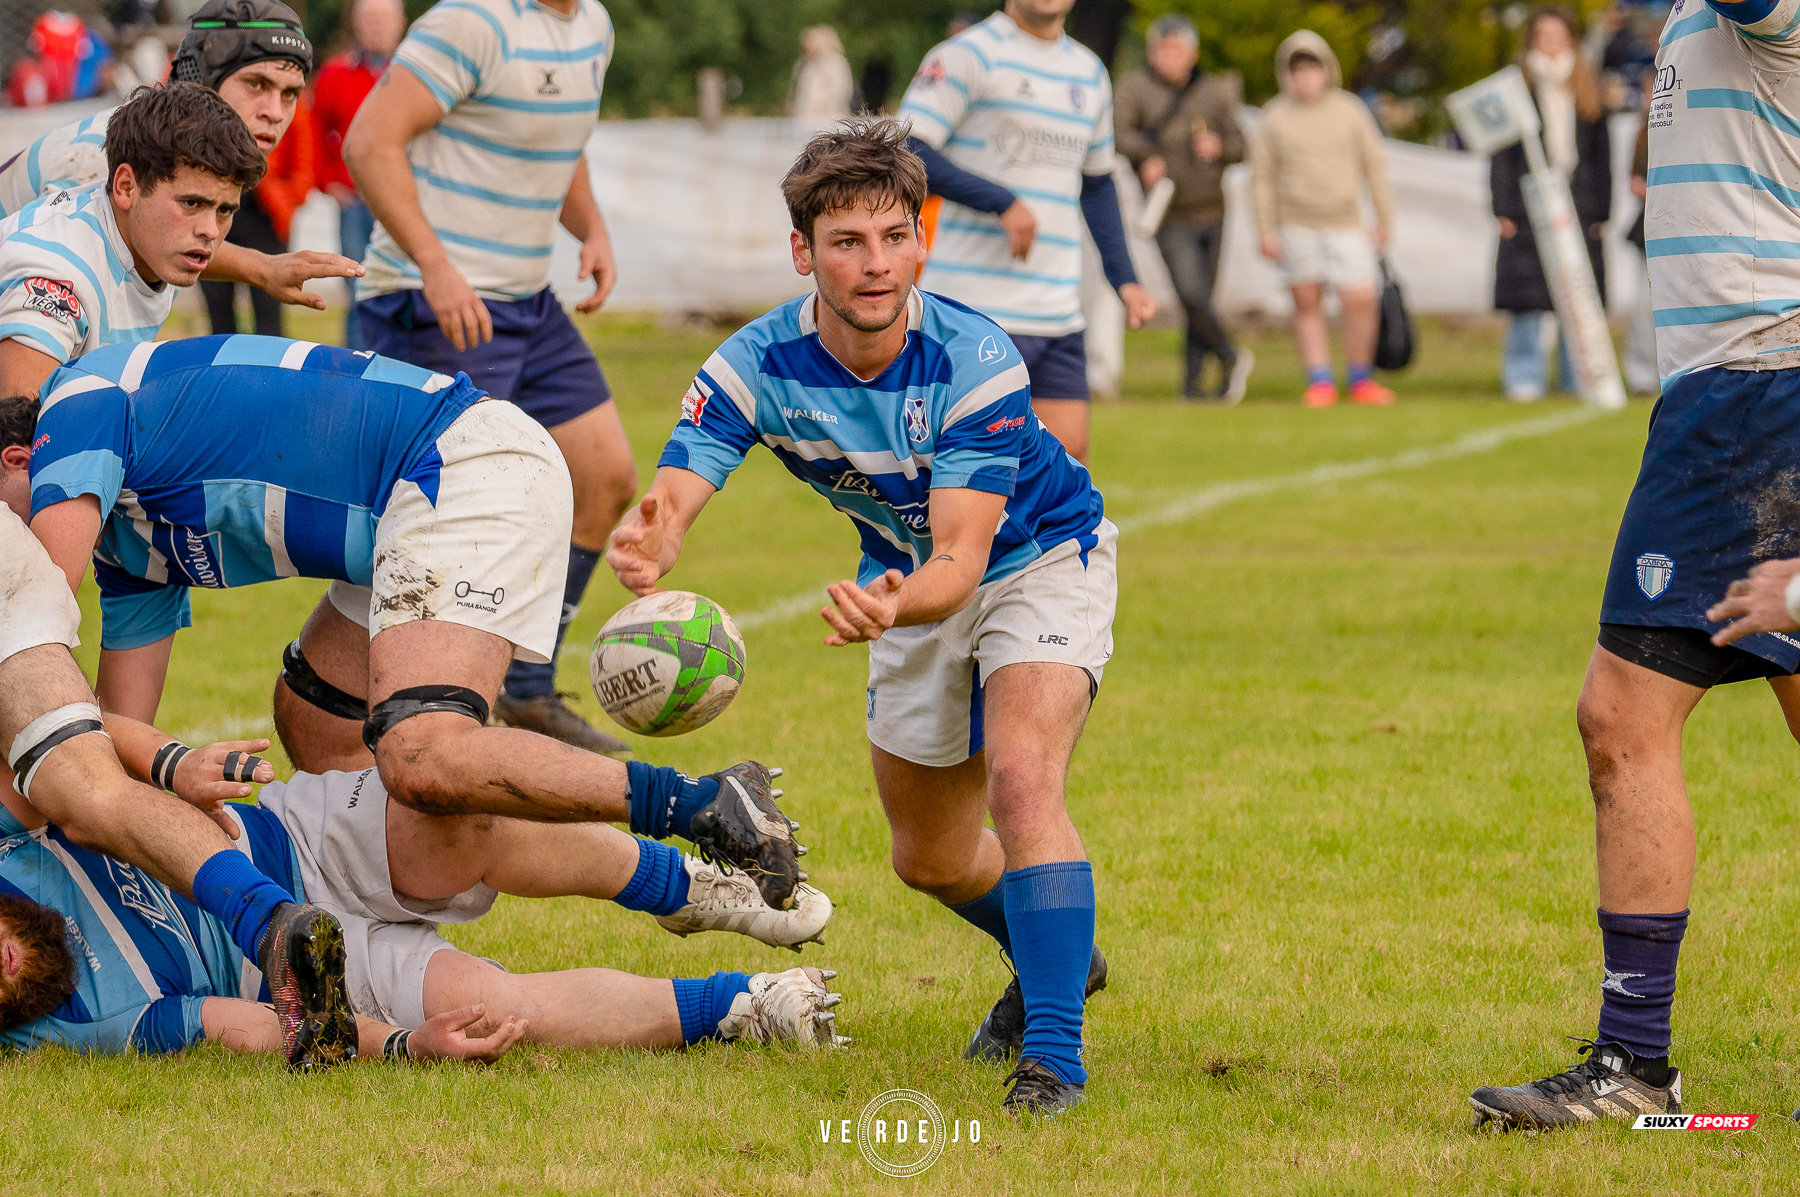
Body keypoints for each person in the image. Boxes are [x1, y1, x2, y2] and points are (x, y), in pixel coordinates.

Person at [608, 122, 1113, 1115]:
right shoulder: (754, 364)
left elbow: (965, 560)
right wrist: (650, 547)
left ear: (921, 240)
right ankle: (1062, 954)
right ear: (804, 252)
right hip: (901, 582)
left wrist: (894, 599)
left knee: (1020, 779)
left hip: (1040, 559)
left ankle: (1053, 1057)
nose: (874, 264)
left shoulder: (976, 359)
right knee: (927, 858)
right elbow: (678, 491)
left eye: (893, 236)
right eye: (847, 242)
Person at [0, 336, 806, 917]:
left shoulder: (72, 411)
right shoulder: (128, 548)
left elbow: (31, 637)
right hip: (409, 510)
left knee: (423, 753)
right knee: (316, 724)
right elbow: (98, 733)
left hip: (456, 464)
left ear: (12, 458)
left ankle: (699, 799)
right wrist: (163, 766)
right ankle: (683, 886)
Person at [1470, 0, 1800, 1132]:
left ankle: (1633, 1064)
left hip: (1757, 389)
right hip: (1749, 382)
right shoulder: (1685, 23)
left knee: (1623, 718)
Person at [0, 717, 843, 1057]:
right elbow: (238, 1024)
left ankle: (687, 889)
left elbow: (52, 717)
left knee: (460, 827)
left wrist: (168, 761)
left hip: (292, 838)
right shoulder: (54, 1032)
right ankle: (747, 1008)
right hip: (295, 967)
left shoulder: (7, 846)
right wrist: (403, 1044)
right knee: (494, 1008)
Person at [344, 0, 639, 756]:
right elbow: (370, 143)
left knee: (605, 477)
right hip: (435, 302)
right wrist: (434, 266)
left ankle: (527, 690)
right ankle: (392, 718)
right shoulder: (470, 22)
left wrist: (595, 228)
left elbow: (558, 144)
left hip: (527, 303)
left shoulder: (594, 27)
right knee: (432, 532)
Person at [0, 488, 356, 1068]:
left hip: (280, 835)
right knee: (92, 772)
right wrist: (405, 1043)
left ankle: (266, 924)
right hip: (267, 893)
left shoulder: (80, 444)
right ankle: (269, 926)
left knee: (89, 782)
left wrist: (172, 763)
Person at [896, 0, 1157, 464]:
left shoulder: (1089, 70)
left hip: (1057, 312)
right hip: (972, 310)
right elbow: (909, 147)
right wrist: (1003, 201)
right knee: (968, 477)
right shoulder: (968, 53)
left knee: (1065, 469)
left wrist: (1126, 280)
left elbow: (1096, 184)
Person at [0, 0, 364, 325]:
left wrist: (263, 267)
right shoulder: (102, 157)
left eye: (290, 94)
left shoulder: (169, 151)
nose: (275, 113)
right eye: (255, 84)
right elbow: (44, 305)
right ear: (199, 78)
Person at [0, 84, 268, 402]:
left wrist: (265, 268)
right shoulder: (57, 275)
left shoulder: (144, 230)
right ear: (126, 187)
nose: (210, 230)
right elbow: (19, 440)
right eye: (191, 204)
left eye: (224, 210)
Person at [1250, 32, 1395, 408]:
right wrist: (1266, 228)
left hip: (1346, 222)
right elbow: (1262, 177)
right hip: (1297, 224)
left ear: (1326, 70)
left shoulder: (1350, 110)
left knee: (1360, 298)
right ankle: (1320, 380)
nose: (1305, 78)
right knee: (1307, 300)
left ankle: (1361, 378)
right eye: (1297, 70)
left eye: (1312, 68)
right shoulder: (1275, 117)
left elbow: (1373, 166)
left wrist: (1383, 217)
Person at [1114, 13, 1252, 402]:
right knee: (1191, 294)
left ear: (1191, 54)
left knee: (1201, 301)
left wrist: (1218, 148)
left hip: (1213, 210)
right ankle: (1231, 355)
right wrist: (1146, 156)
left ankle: (1194, 385)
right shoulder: (1135, 87)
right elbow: (1116, 132)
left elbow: (1243, 146)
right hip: (1169, 214)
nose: (1167, 58)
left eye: (1176, 50)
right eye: (1161, 49)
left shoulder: (1213, 91)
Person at [1490, 6, 1612, 402]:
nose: (1550, 43)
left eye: (1557, 35)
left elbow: (1601, 157)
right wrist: (1503, 208)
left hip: (1578, 201)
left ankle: (1576, 374)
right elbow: (1501, 157)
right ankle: (1524, 376)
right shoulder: (1516, 88)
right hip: (1528, 201)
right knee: (1528, 297)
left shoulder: (1589, 89)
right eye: (1542, 36)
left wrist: (1600, 212)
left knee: (1576, 293)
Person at [311, 0, 406, 351]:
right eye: (370, 20)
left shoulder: (417, 74)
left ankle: (402, 369)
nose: (377, 27)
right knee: (357, 290)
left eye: (384, 19)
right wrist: (326, 180)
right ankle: (357, 367)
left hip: (404, 201)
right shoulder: (335, 74)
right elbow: (314, 129)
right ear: (357, 25)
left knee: (406, 289)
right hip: (354, 203)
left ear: (400, 24)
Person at [203, 94, 317, 338]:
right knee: (218, 309)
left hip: (266, 209)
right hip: (215, 204)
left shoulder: (287, 100)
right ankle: (223, 370)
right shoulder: (209, 86)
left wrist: (289, 197)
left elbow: (305, 158)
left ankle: (269, 371)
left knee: (269, 308)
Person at [790, 25, 854, 124]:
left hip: (829, 121)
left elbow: (841, 93)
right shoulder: (805, 64)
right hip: (805, 120)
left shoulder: (835, 63)